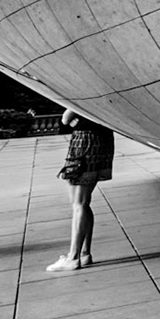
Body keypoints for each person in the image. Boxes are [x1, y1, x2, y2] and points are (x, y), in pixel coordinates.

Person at [47, 109, 112, 272]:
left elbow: (66, 118)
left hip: (84, 140)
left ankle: (73, 257)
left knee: (78, 203)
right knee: (84, 202)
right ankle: (84, 253)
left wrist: (69, 117)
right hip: (102, 138)